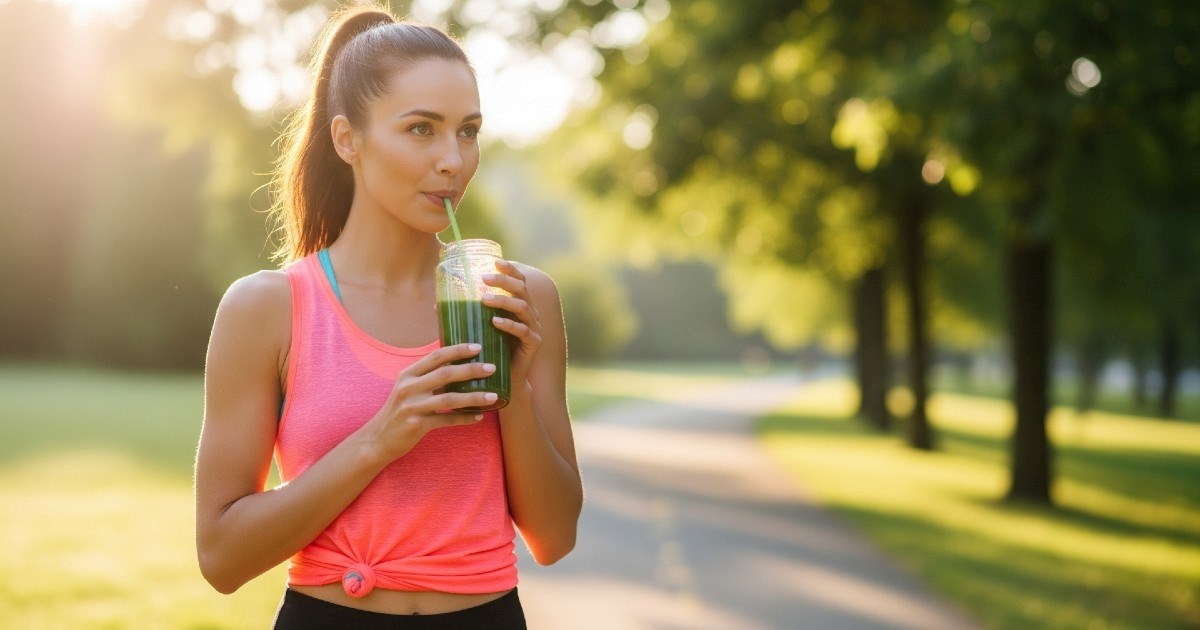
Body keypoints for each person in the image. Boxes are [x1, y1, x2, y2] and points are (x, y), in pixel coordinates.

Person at [193, 4, 583, 628]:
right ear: (347, 139)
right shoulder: (269, 308)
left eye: (468, 130)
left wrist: (509, 392)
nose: (454, 160)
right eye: (422, 129)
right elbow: (221, 558)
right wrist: (380, 438)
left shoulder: (519, 298)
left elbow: (555, 536)